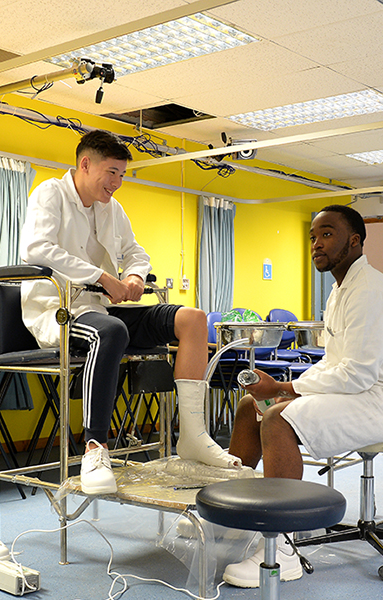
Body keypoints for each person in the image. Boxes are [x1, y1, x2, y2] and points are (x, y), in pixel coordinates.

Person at [20, 129, 240, 495]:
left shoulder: (113, 209)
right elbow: (37, 249)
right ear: (85, 164)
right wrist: (103, 276)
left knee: (193, 319)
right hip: (60, 310)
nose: (117, 182)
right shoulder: (50, 194)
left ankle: (193, 436)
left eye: (122, 175)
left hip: (103, 308)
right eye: (112, 173)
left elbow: (136, 252)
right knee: (112, 332)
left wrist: (135, 274)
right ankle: (95, 447)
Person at [223, 204, 383, 588]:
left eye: (327, 234)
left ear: (355, 240)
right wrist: (281, 388)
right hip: (352, 393)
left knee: (279, 418)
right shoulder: (338, 291)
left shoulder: (370, 290)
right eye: (313, 237)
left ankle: (283, 550)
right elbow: (331, 363)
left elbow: (359, 372)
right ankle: (239, 520)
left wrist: (284, 390)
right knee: (253, 407)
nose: (316, 244)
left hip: (374, 399)